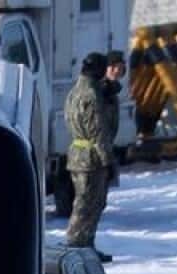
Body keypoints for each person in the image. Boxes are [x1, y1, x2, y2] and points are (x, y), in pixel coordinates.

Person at [64, 52, 113, 263]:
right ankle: (77, 247)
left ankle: (83, 246)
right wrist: (107, 160)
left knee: (85, 202)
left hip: (77, 154)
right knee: (88, 205)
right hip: (91, 158)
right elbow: (98, 131)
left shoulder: (75, 91)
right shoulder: (92, 95)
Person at [102, 50, 127, 189]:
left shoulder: (112, 90)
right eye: (113, 67)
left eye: (120, 68)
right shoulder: (100, 90)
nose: (117, 71)